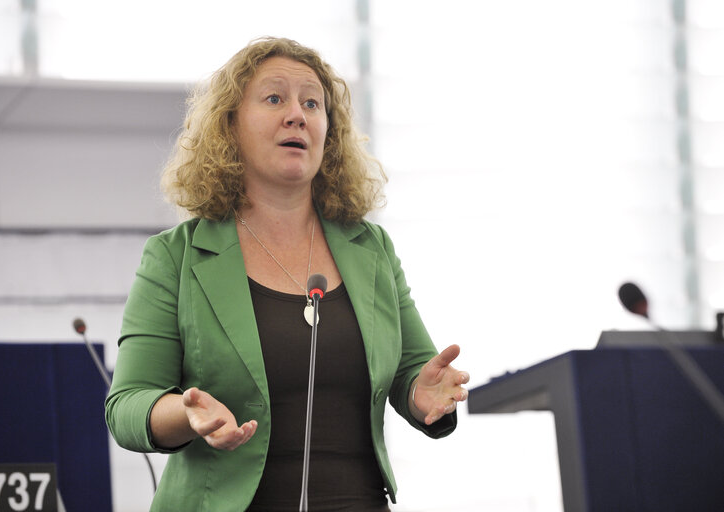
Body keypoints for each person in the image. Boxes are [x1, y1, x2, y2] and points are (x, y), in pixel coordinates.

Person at [105, 36, 470, 512]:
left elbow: (411, 373)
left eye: (312, 103)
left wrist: (424, 397)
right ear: (230, 125)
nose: (297, 114)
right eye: (275, 98)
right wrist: (183, 412)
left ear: (328, 132)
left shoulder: (370, 249)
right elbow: (127, 406)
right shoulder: (177, 257)